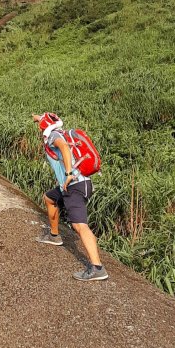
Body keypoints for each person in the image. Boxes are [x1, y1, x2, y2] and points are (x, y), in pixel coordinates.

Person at [32, 112, 108, 282]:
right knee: (50, 198)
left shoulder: (53, 136)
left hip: (74, 185)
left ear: (44, 128)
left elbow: (64, 148)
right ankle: (54, 235)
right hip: (74, 185)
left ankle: (97, 268)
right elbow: (46, 118)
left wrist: (67, 173)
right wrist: (37, 117)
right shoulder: (59, 132)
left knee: (80, 225)